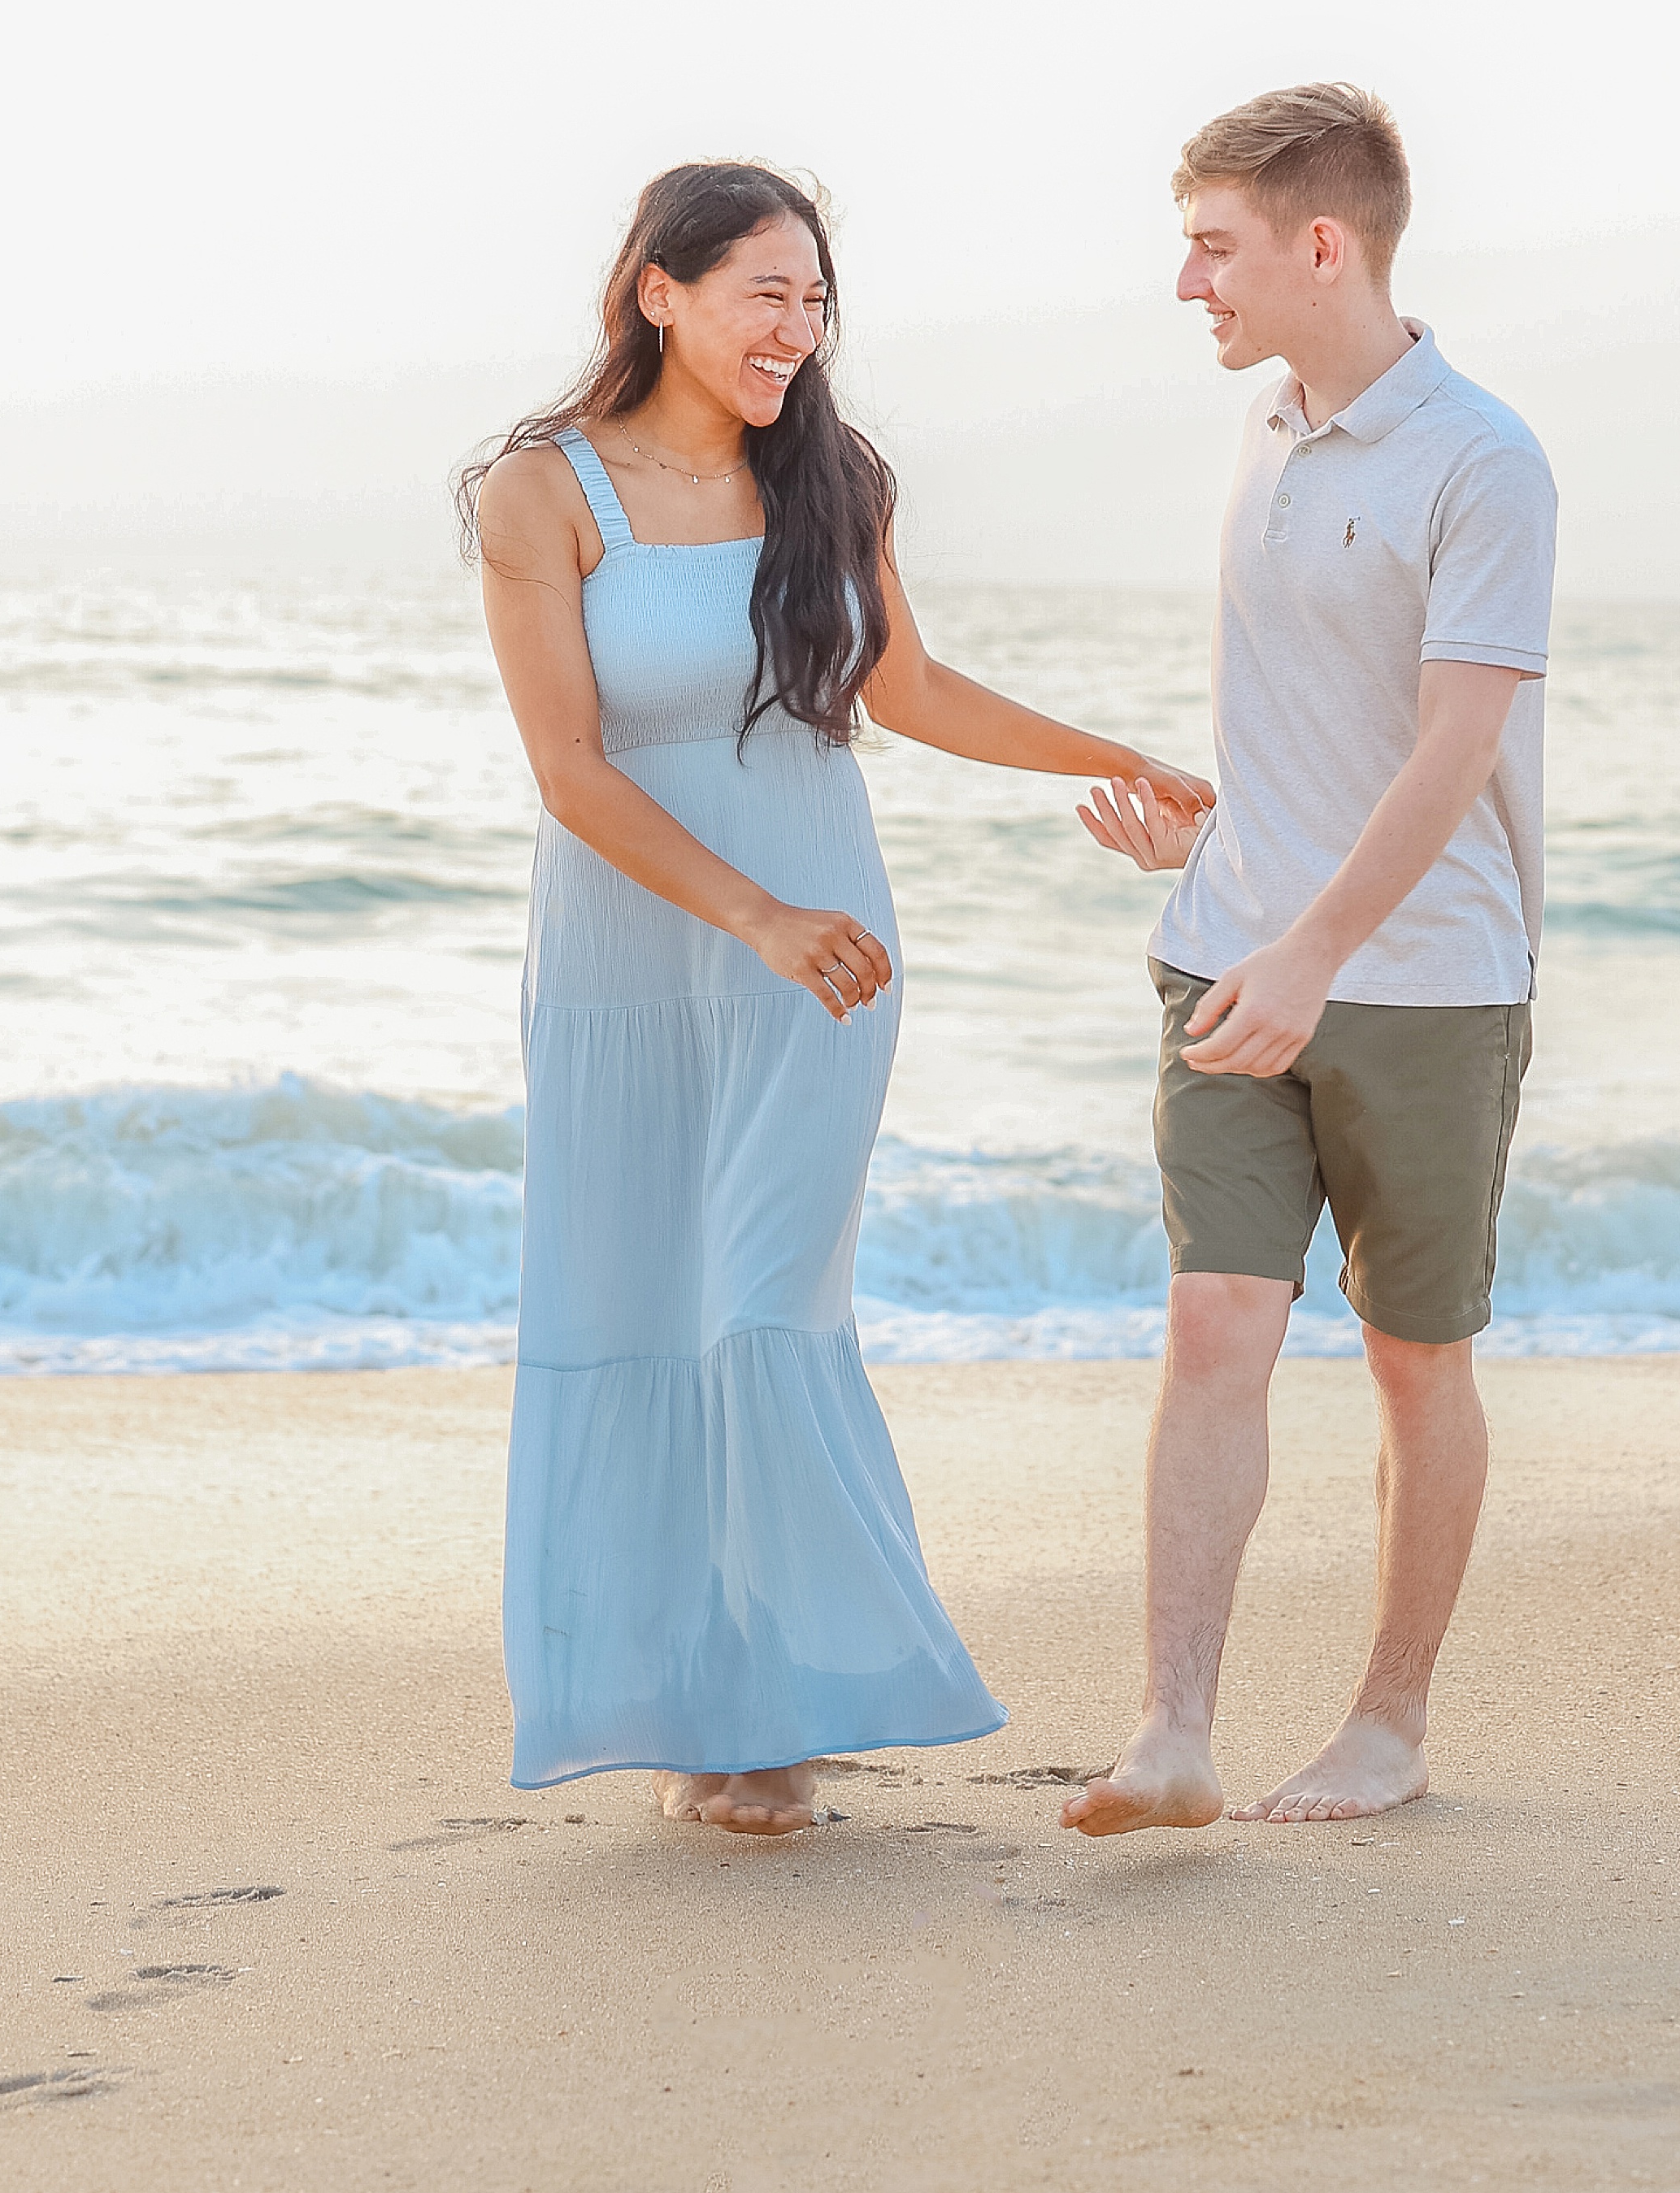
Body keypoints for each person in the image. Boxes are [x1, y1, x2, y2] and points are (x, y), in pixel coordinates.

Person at [464, 160, 1212, 1838]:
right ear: (659, 290)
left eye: (815, 304)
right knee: (646, 1308)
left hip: (826, 960)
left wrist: (1124, 760)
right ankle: (696, 1714)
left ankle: (786, 1705)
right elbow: (571, 769)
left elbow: (910, 685)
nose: (796, 333)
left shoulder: (835, 479)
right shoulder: (544, 492)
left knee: (756, 1304)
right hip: (635, 959)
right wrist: (750, 914)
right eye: (764, 296)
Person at [1064, 82, 1556, 1833]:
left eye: (1214, 246)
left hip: (1422, 987)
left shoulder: (1483, 460)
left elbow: (1447, 750)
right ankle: (1172, 1733)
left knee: (1414, 1355)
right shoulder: (1268, 429)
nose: (1187, 284)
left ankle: (1389, 1726)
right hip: (1227, 958)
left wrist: (1317, 950)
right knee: (1213, 1327)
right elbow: (1315, 731)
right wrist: (1218, 851)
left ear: (1321, 245)